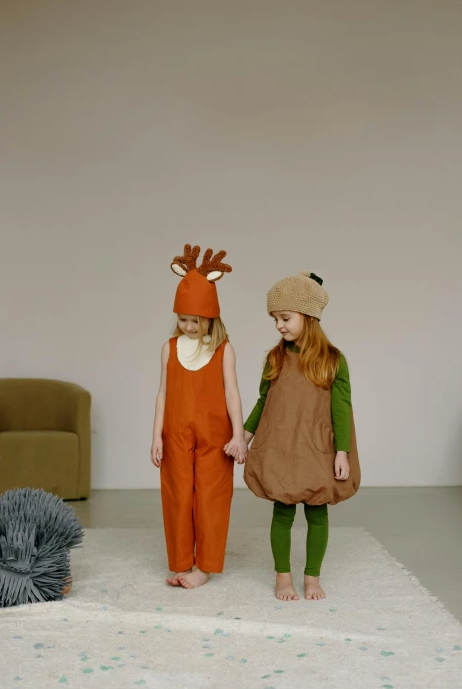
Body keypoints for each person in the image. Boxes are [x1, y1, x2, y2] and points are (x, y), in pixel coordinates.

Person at [240, 271, 360, 601]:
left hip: (318, 447)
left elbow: (341, 408)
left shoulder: (333, 361)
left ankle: (311, 577)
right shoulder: (275, 358)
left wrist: (342, 451)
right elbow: (264, 401)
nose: (279, 325)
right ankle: (282, 577)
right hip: (283, 446)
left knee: (317, 512)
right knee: (283, 510)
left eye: (285, 317)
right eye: (275, 319)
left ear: (308, 317)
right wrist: (244, 436)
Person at [151, 244, 248, 589]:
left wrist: (238, 435)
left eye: (195, 320)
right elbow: (162, 393)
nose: (189, 326)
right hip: (175, 434)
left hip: (215, 436)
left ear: (210, 318)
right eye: (183, 319)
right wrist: (156, 437)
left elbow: (232, 393)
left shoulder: (223, 350)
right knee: (178, 494)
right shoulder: (169, 348)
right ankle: (181, 562)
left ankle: (204, 566)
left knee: (210, 497)